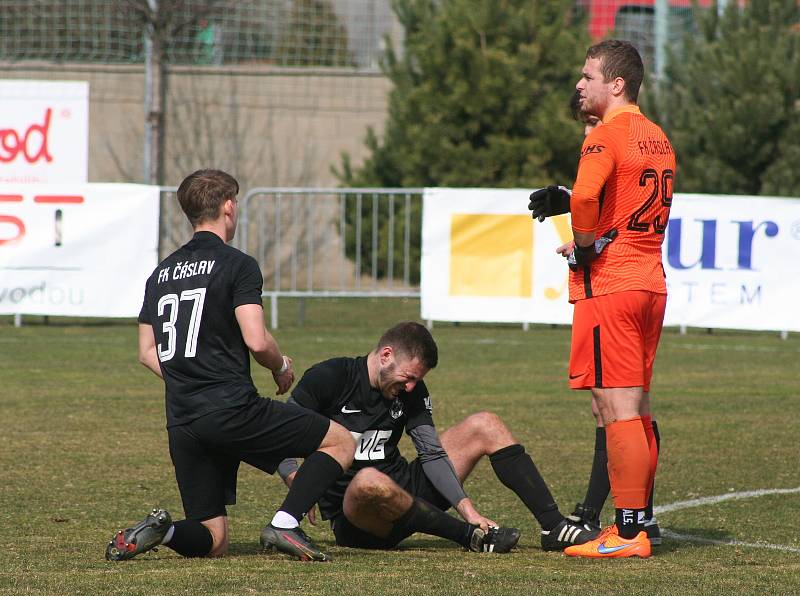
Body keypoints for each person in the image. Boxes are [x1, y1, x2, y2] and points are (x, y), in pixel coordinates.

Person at [105, 169, 355, 563]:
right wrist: (280, 366)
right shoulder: (237, 265)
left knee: (214, 538)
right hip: (230, 408)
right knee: (341, 441)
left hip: (183, 421)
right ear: (228, 206)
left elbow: (146, 351)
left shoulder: (160, 275)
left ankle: (164, 530)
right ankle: (285, 524)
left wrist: (189, 380)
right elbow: (257, 340)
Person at [527, 40, 675, 558]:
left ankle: (628, 534)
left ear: (617, 84)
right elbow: (622, 203)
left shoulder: (605, 135)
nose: (579, 83)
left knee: (617, 408)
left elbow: (589, 198)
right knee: (637, 405)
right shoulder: (656, 137)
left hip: (612, 287)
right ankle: (645, 522)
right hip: (650, 282)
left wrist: (585, 245)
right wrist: (583, 215)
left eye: (588, 75)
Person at [276, 321, 598, 553]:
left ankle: (553, 527)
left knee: (486, 423)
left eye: (419, 380)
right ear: (386, 355)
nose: (412, 387)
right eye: (409, 377)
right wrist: (295, 475)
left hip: (407, 488)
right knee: (368, 480)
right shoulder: (330, 377)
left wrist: (468, 510)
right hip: (359, 516)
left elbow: (431, 453)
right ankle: (467, 537)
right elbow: (281, 429)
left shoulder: (410, 389)